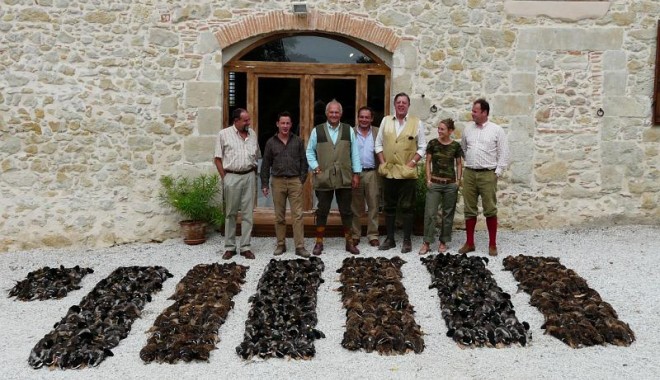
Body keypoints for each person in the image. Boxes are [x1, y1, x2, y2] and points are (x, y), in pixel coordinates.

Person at [306, 100, 362, 256]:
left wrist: (356, 173)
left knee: (346, 211)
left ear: (341, 114)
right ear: (326, 113)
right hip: (324, 178)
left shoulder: (348, 130)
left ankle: (349, 242)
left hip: (345, 177)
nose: (334, 115)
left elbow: (355, 153)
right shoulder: (317, 131)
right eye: (331, 112)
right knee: (322, 210)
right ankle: (319, 242)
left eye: (337, 112)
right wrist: (316, 168)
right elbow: (310, 151)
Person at [375, 92, 427, 253]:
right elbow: (378, 144)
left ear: (408, 105)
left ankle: (406, 240)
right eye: (399, 102)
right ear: (395, 105)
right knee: (389, 206)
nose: (401, 105)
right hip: (389, 171)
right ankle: (390, 239)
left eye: (404, 102)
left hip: (407, 173)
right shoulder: (385, 120)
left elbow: (423, 146)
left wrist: (412, 163)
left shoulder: (416, 123)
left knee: (407, 207)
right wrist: (383, 162)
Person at [459, 98, 510, 256]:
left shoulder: (497, 130)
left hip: (488, 173)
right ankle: (469, 242)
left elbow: (504, 152)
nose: (472, 113)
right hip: (469, 173)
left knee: (490, 208)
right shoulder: (468, 129)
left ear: (484, 112)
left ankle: (492, 244)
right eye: (472, 110)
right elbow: (463, 149)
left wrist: (497, 173)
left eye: (475, 111)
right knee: (469, 209)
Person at [260, 111, 310, 258]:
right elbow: (265, 165)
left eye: (288, 123)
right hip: (278, 181)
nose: (285, 126)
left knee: (298, 215)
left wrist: (301, 180)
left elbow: (304, 163)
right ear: (277, 124)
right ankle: (281, 244)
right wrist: (264, 183)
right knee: (279, 216)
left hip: (295, 181)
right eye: (283, 123)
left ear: (291, 125)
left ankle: (299, 246)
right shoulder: (270, 143)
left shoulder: (298, 141)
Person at [214, 108, 261, 260]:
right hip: (232, 176)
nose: (248, 122)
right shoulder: (223, 134)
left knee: (248, 214)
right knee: (230, 213)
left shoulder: (252, 134)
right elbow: (217, 158)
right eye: (245, 120)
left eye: (249, 119)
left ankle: (245, 247)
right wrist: (225, 178)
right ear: (236, 121)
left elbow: (257, 155)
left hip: (249, 176)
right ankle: (230, 247)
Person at [418, 118, 463, 255]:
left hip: (450, 184)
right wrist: (428, 179)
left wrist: (458, 181)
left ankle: (443, 241)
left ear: (450, 131)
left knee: (447, 214)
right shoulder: (432, 143)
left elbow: (459, 164)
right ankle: (427, 242)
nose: (439, 131)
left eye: (442, 129)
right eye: (439, 128)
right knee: (430, 213)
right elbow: (428, 162)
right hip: (435, 184)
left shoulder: (455, 146)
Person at [351, 107, 381, 248]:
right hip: (356, 173)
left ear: (371, 119)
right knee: (355, 206)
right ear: (358, 118)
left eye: (366, 117)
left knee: (373, 205)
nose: (364, 119)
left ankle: (373, 235)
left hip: (372, 173)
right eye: (361, 117)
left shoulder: (377, 132)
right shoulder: (351, 132)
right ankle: (355, 235)